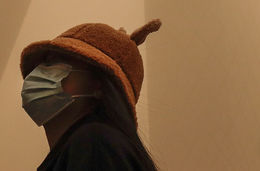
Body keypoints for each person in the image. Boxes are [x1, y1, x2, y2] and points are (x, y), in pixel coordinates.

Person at [20, 19, 161, 171]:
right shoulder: (88, 147)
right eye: (40, 65)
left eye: (55, 62)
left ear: (99, 86)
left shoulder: (94, 143)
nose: (39, 73)